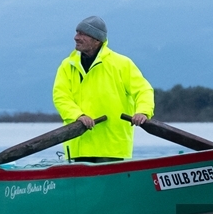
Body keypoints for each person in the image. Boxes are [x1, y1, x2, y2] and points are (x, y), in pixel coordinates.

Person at [53, 16, 155, 162]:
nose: (76, 37)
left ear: (97, 40)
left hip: (111, 147)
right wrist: (78, 115)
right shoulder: (67, 65)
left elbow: (143, 90)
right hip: (77, 145)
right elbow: (60, 96)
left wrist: (143, 111)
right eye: (77, 33)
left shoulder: (122, 64)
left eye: (83, 34)